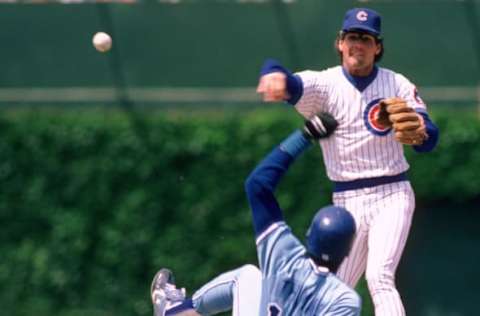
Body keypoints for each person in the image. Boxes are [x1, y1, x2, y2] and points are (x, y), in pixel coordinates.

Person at [255, 7, 440, 316]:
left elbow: (429, 137)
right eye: (353, 37)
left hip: (391, 192)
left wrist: (421, 133)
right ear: (339, 42)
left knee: (379, 277)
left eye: (367, 39)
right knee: (333, 284)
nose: (359, 44)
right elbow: (284, 76)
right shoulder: (324, 85)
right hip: (346, 200)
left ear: (377, 47)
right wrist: (272, 73)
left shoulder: (397, 84)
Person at [151, 114, 362, 315]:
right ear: (347, 251)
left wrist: (306, 134)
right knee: (250, 276)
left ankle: (174, 310)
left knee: (248, 276)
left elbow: (257, 184)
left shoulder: (284, 254)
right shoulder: (344, 300)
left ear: (309, 235)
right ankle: (174, 311)